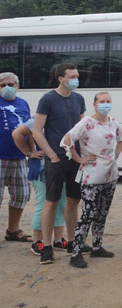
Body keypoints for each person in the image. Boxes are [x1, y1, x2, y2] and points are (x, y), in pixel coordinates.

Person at [61, 92, 122, 268]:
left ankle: (97, 246)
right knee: (87, 215)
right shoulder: (86, 123)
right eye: (102, 101)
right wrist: (78, 159)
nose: (105, 104)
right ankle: (76, 253)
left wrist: (116, 155)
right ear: (95, 105)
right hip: (91, 175)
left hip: (110, 175)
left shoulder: (113, 122)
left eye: (108, 101)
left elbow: (121, 140)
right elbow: (67, 140)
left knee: (102, 213)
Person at [32, 63, 86, 264]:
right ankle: (46, 246)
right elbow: (37, 130)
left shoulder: (79, 99)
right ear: (60, 78)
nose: (76, 79)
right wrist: (51, 155)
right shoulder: (47, 99)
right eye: (72, 76)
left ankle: (72, 242)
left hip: (75, 158)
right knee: (51, 201)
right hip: (56, 159)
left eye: (77, 75)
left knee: (74, 201)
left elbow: (82, 127)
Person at [12, 119, 67, 255]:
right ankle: (37, 240)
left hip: (61, 166)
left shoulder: (64, 114)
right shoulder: (38, 118)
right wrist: (29, 152)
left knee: (61, 203)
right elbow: (17, 134)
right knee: (43, 204)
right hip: (41, 169)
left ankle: (59, 239)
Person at [1, 72, 32, 243]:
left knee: (21, 195)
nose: (7, 88)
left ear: (17, 86)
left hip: (19, 157)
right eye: (2, 85)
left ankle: (13, 230)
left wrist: (31, 152)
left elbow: (29, 128)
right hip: (0, 157)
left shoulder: (23, 104)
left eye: (11, 84)